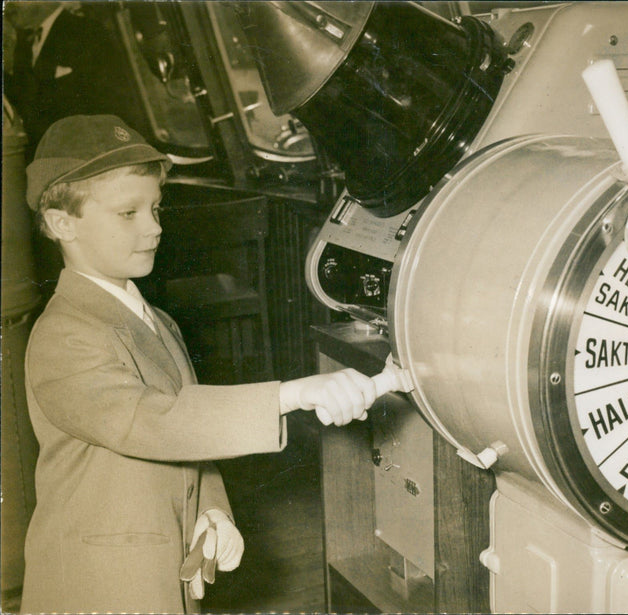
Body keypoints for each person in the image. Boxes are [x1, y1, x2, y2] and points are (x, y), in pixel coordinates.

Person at [21, 114, 381, 614]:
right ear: (63, 223)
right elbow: (151, 421)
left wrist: (212, 512)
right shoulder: (63, 334)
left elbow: (190, 437)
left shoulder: (158, 320)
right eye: (129, 213)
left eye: (155, 207)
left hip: (163, 571)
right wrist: (291, 393)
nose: (154, 226)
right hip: (97, 586)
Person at [4, 2, 138, 161]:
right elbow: (26, 101)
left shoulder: (87, 32)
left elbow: (113, 104)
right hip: (45, 161)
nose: (8, 5)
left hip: (85, 158)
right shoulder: (24, 44)